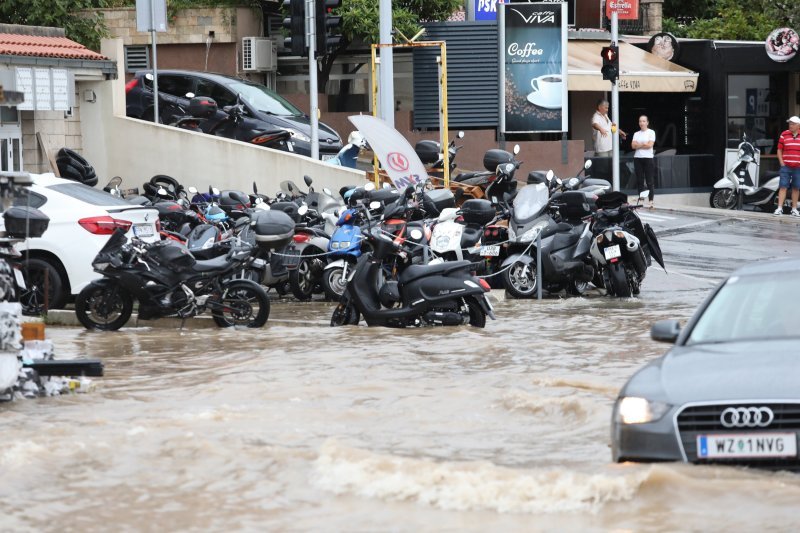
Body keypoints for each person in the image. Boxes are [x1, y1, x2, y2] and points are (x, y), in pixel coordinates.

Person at [774, 115, 800, 216]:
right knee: (783, 186)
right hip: (786, 166)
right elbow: (779, 149)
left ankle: (794, 209)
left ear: (798, 125)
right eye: (789, 123)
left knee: (796, 188)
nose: (790, 125)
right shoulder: (784, 134)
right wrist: (782, 162)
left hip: (798, 167)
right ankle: (779, 208)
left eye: (793, 124)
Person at [631, 115, 656, 208]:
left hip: (648, 158)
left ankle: (651, 200)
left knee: (649, 180)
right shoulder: (636, 134)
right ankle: (641, 198)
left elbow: (650, 145)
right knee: (640, 180)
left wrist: (639, 145)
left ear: (647, 122)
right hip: (637, 158)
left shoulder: (651, 132)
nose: (642, 123)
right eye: (640, 121)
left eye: (644, 121)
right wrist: (643, 144)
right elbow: (633, 146)